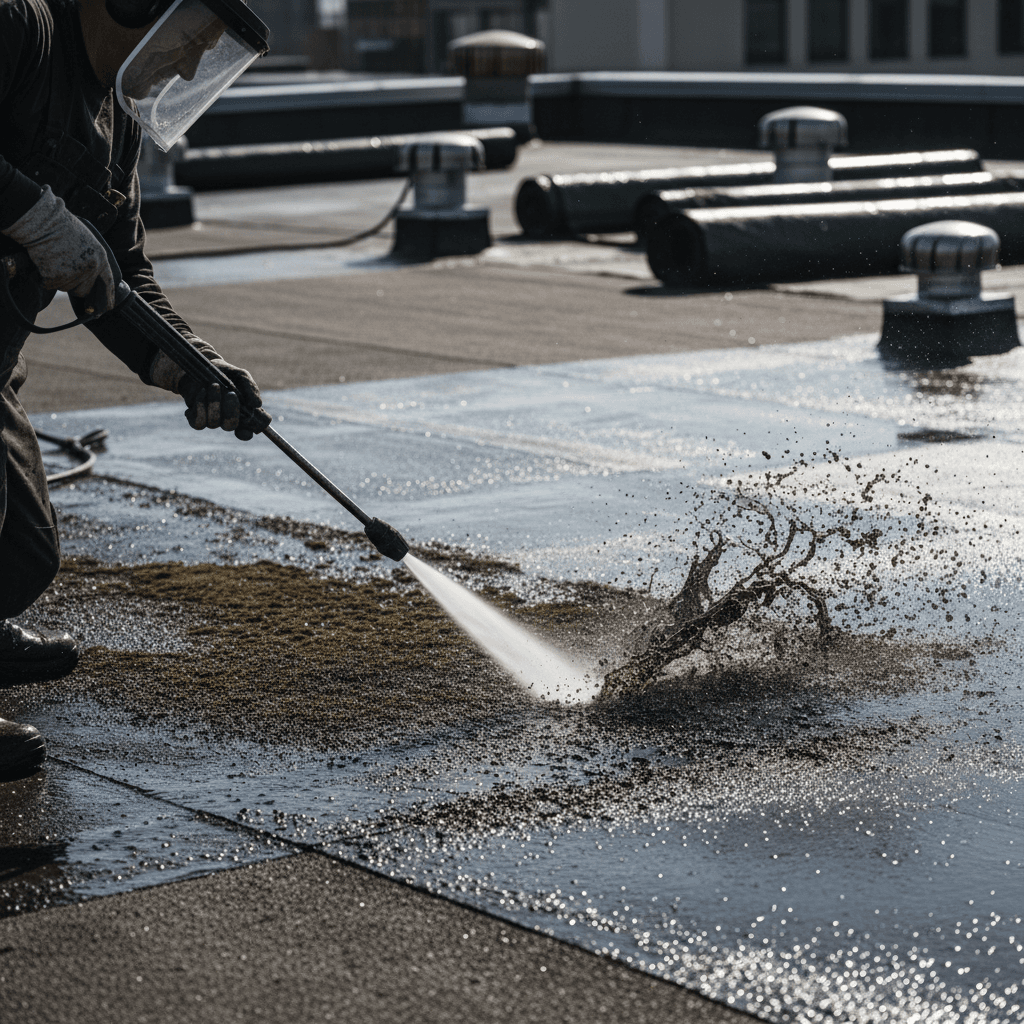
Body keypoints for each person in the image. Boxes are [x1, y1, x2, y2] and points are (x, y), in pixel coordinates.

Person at [0, 0, 270, 776]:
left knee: (20, 556)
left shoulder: (111, 121)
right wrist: (32, 213)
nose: (186, 68)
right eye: (187, 44)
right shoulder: (20, 27)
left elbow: (120, 270)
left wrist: (191, 365)